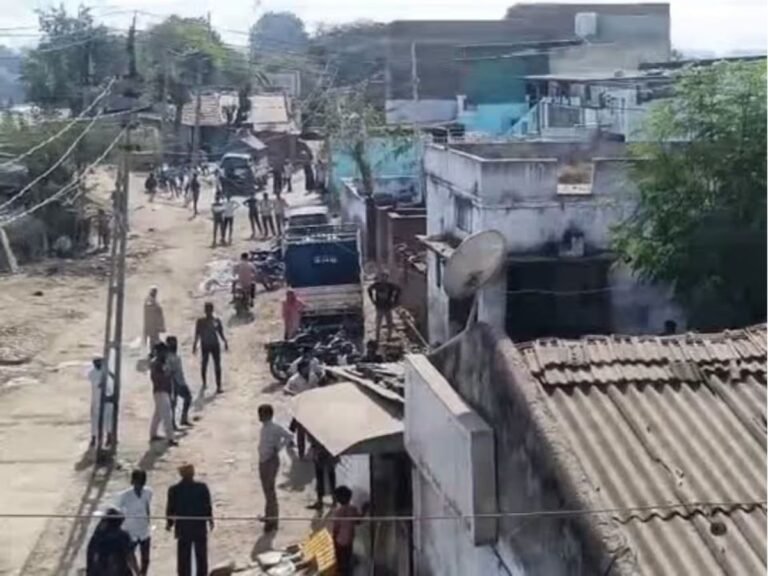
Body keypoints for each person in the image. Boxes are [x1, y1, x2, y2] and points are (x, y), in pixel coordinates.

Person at [167, 463, 213, 576]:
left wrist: (169, 523)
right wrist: (210, 520)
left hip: (183, 528)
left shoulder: (174, 489)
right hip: (199, 526)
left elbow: (170, 508)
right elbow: (207, 506)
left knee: (183, 558)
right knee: (201, 556)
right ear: (193, 473)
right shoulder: (202, 487)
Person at [257, 404, 293, 532]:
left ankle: (272, 520)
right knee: (267, 491)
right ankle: (269, 515)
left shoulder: (275, 427)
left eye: (261, 414)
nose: (259, 416)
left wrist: (278, 448)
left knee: (270, 491)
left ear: (268, 415)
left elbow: (290, 436)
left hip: (270, 461)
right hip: (263, 460)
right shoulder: (265, 427)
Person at [116, 470, 153, 576]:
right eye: (137, 482)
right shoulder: (124, 495)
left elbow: (147, 506)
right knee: (129, 555)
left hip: (144, 529)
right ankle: (137, 573)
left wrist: (148, 520)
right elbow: (118, 511)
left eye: (141, 483)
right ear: (132, 481)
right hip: (130, 530)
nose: (139, 485)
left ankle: (143, 574)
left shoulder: (148, 492)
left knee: (145, 558)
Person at [86, 507, 140, 576]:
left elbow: (90, 560)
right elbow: (131, 557)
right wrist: (138, 573)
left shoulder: (97, 537)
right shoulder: (122, 536)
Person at [193, 302, 228, 394]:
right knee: (207, 364)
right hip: (208, 344)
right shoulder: (209, 321)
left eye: (209, 310)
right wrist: (195, 345)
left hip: (211, 345)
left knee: (213, 365)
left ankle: (217, 385)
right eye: (207, 310)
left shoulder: (208, 321)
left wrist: (225, 341)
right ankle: (207, 384)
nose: (208, 312)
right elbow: (197, 334)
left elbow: (220, 332)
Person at [331, 486, 365, 576]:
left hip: (339, 541)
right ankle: (347, 570)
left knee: (340, 560)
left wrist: (333, 538)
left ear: (338, 499)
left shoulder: (338, 511)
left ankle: (342, 571)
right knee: (347, 556)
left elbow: (336, 527)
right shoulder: (353, 509)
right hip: (349, 540)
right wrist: (364, 510)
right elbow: (358, 521)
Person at [149, 342, 177, 446]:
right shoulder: (157, 363)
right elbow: (159, 377)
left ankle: (153, 434)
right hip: (161, 391)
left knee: (158, 414)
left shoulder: (158, 362)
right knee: (166, 416)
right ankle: (170, 438)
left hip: (160, 391)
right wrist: (168, 374)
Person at [166, 336, 193, 428]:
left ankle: (182, 419)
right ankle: (173, 423)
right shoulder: (168, 357)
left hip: (180, 381)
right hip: (175, 382)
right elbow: (169, 371)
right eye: (172, 343)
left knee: (187, 398)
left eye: (175, 343)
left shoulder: (175, 356)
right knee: (174, 403)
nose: (175, 345)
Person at [367, 272, 401, 342]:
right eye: (382, 277)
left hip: (388, 307)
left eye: (385, 277)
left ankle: (389, 337)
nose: (383, 279)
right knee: (378, 323)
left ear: (387, 278)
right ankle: (377, 338)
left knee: (389, 323)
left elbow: (399, 290)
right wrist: (372, 300)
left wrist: (395, 300)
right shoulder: (377, 285)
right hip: (379, 307)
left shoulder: (390, 286)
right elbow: (369, 289)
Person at [88, 357, 114, 448]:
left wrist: (107, 370)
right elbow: (99, 384)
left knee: (108, 419)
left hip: (107, 399)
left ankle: (109, 437)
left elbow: (114, 378)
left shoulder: (105, 370)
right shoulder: (92, 373)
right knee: (95, 420)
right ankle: (94, 438)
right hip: (96, 400)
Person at [308, 441, 336, 511]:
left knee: (323, 477)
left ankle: (324, 501)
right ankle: (332, 500)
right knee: (328, 477)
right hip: (328, 450)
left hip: (325, 451)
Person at [143, 287, 166, 354]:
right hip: (151, 325)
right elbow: (150, 310)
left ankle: (154, 352)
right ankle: (152, 352)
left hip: (154, 326)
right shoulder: (149, 300)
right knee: (153, 341)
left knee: (155, 340)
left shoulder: (153, 301)